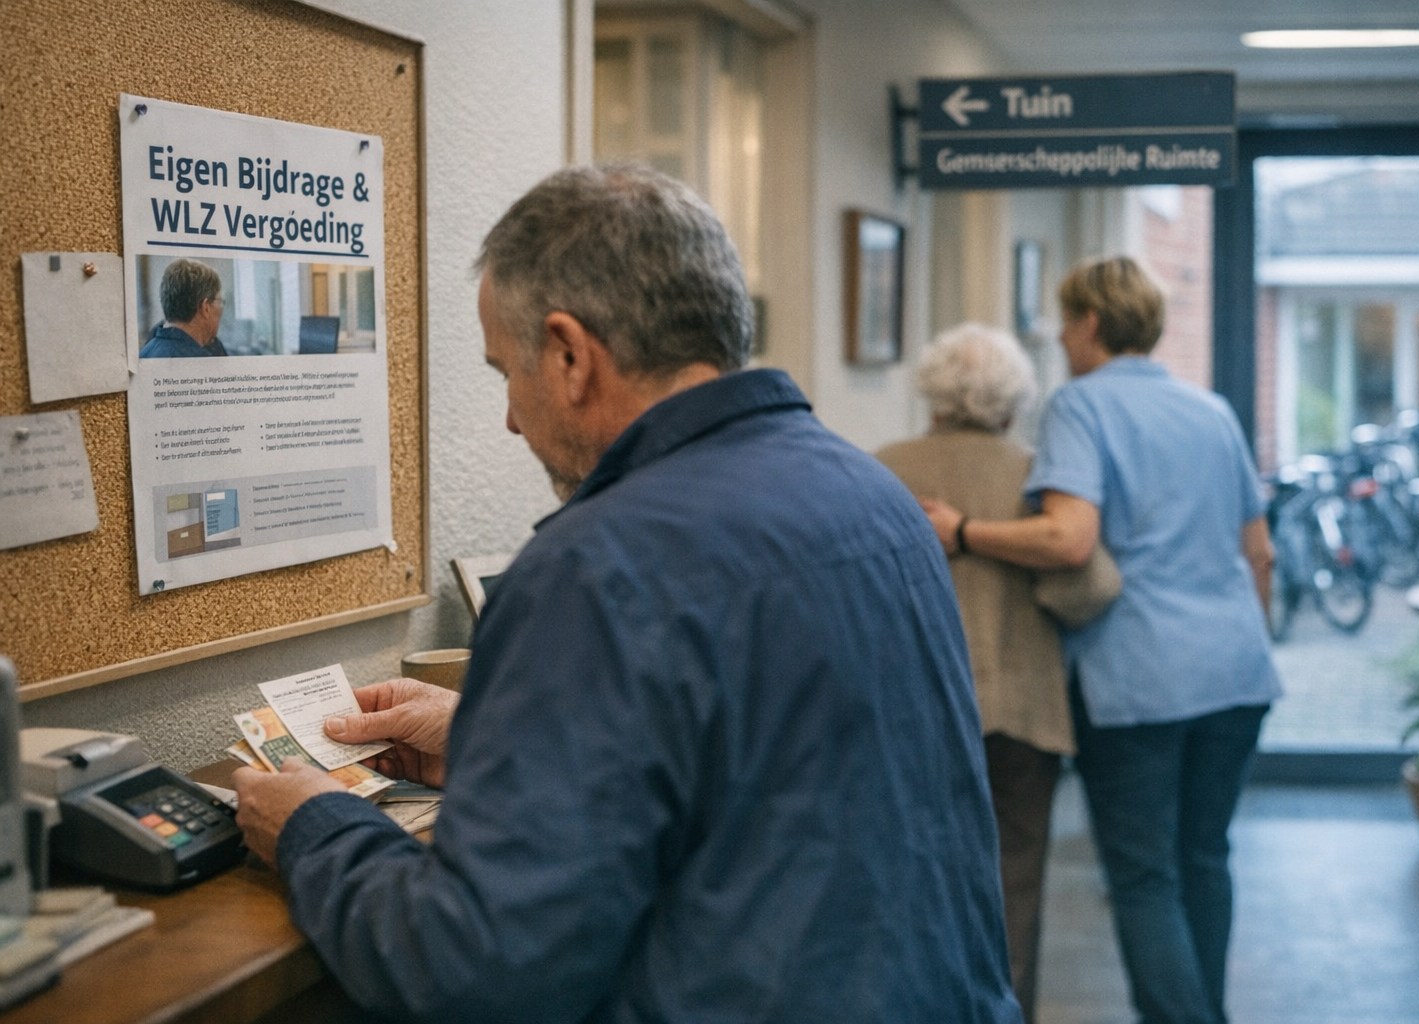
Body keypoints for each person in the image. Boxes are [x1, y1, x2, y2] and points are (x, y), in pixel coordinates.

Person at [233, 164, 1023, 1024]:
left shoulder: (598, 568)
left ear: (571, 355)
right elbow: (782, 771)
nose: (509, 419)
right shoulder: (875, 499)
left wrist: (316, 829)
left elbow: (475, 970)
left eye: (507, 373)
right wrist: (499, 741)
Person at [922, 257, 1281, 1024]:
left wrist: (963, 531)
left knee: (1145, 879)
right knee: (1205, 859)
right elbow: (1261, 554)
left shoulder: (1080, 407)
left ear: (1090, 323)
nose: (1058, 335)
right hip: (1238, 673)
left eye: (1065, 320)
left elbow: (1069, 539)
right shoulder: (1212, 409)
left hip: (1141, 679)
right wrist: (1239, 641)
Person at [876, 323, 1121, 1021]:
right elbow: (1094, 587)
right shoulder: (1037, 474)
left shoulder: (880, 468)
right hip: (1022, 712)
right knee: (1014, 883)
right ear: (1013, 401)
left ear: (932, 393)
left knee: (911, 882)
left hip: (909, 715)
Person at [139, 259, 229, 358]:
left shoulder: (144, 354)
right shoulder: (201, 363)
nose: (221, 310)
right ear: (205, 307)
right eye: (220, 302)